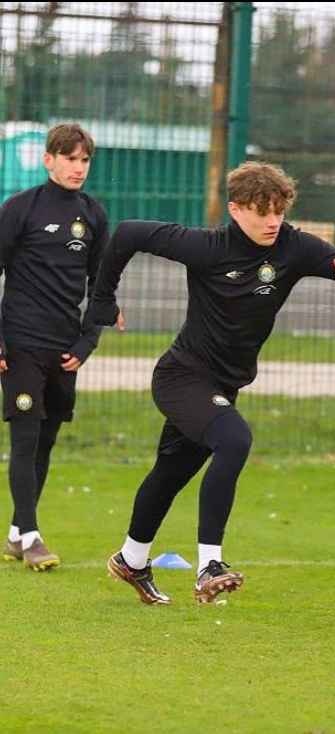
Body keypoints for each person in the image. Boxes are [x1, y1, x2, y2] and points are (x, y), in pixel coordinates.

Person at [90, 161, 335, 605]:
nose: (272, 221)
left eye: (279, 211)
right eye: (262, 211)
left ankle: (131, 560)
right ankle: (210, 566)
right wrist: (102, 301)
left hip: (222, 386)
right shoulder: (205, 247)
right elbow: (128, 232)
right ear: (235, 209)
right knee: (234, 439)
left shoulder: (293, 247)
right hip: (181, 377)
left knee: (170, 473)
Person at [0, 123, 110, 571]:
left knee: (45, 441)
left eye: (85, 160)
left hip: (65, 349)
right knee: (25, 438)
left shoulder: (94, 215)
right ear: (49, 160)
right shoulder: (19, 208)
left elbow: (102, 286)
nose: (78, 167)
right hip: (21, 344)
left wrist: (87, 342)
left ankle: (15, 533)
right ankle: (32, 536)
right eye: (70, 158)